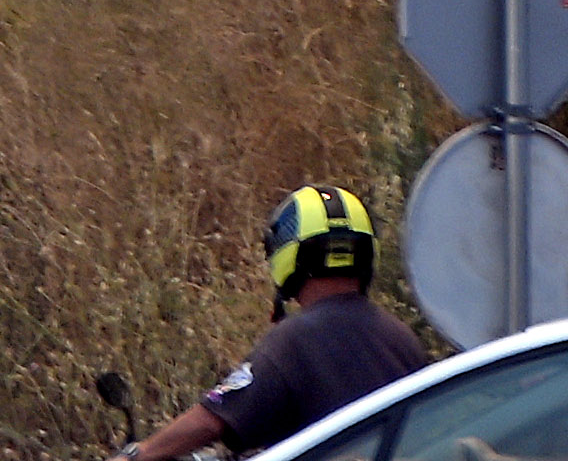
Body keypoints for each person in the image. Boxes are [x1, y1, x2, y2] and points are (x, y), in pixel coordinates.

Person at [119, 188, 426, 460]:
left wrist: (138, 455)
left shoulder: (294, 340)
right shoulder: (401, 337)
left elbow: (213, 418)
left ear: (287, 252)